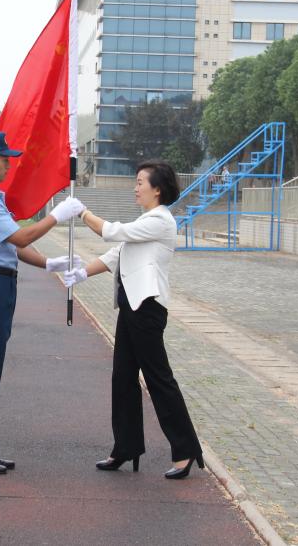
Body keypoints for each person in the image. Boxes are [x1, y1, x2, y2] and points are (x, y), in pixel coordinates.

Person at [0, 131, 85, 475]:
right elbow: (21, 237)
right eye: (3, 159)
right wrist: (57, 216)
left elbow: (12, 245)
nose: (8, 164)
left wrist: (49, 263)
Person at [63, 160, 204, 479]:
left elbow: (113, 233)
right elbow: (117, 254)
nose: (135, 187)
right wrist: (81, 273)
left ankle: (186, 451)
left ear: (158, 189)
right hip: (131, 306)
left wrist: (82, 212)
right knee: (123, 377)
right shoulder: (146, 220)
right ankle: (126, 447)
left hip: (148, 308)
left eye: (141, 182)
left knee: (158, 379)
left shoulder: (161, 220)